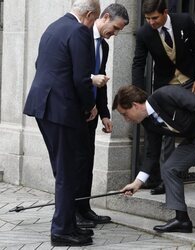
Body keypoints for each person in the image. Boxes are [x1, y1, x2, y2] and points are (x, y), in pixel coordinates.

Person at [113, 84, 195, 246]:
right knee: (169, 168)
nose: (126, 119)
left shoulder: (166, 94)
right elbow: (152, 154)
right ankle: (182, 220)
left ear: (135, 105)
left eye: (125, 114)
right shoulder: (148, 121)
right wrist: (137, 183)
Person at [23, 0, 103, 246]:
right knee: (67, 171)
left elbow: (42, 65)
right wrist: (90, 105)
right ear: (89, 15)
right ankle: (61, 231)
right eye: (93, 20)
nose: (92, 26)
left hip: (43, 105)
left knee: (64, 170)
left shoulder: (53, 27)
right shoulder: (79, 31)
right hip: (61, 109)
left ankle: (68, 224)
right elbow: (81, 78)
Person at [132, 0, 195, 195]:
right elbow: (138, 63)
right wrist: (138, 94)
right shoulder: (144, 33)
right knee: (165, 132)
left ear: (165, 12)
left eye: (155, 18)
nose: (151, 22)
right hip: (164, 86)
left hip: (191, 83)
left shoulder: (184, 21)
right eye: (148, 19)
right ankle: (167, 179)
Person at [75, 3, 129, 228]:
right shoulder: (81, 35)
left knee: (87, 161)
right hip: (76, 111)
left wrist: (105, 113)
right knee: (76, 163)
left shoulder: (103, 47)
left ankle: (85, 209)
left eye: (119, 31)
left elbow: (102, 82)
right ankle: (74, 212)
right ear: (105, 17)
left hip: (93, 113)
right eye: (115, 28)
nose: (115, 34)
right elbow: (77, 75)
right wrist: (88, 105)